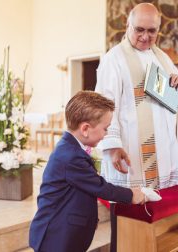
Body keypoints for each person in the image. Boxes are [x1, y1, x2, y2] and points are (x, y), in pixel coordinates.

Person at [95, 3, 178, 251]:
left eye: (152, 31)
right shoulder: (114, 59)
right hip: (130, 154)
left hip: (161, 154)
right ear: (127, 26)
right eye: (139, 29)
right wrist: (112, 146)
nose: (145, 37)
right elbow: (103, 106)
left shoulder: (162, 58)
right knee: (126, 225)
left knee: (159, 223)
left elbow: (174, 103)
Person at [29, 91, 145, 252]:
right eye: (105, 129)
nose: (105, 135)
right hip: (56, 236)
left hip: (64, 233)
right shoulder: (70, 156)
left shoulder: (72, 148)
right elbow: (100, 187)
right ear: (85, 129)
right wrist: (132, 195)